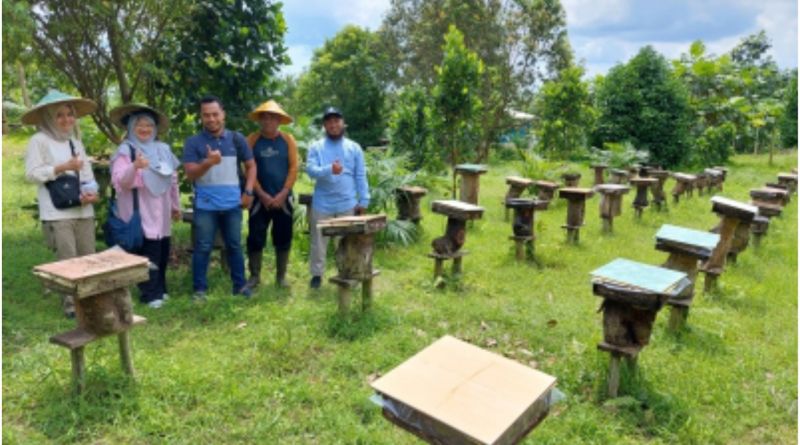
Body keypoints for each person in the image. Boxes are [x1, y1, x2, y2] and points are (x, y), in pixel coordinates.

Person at [23, 90, 100, 318]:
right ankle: (71, 305)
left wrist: (91, 194)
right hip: (56, 212)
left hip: (83, 208)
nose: (66, 119)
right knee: (68, 259)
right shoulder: (39, 141)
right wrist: (61, 168)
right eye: (59, 115)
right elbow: (31, 174)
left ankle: (88, 299)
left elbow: (86, 174)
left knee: (88, 255)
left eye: (70, 114)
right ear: (48, 117)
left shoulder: (75, 142)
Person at [182, 96, 256, 300]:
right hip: (205, 205)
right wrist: (209, 162)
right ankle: (199, 290)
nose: (211, 119)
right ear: (201, 117)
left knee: (234, 245)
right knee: (203, 247)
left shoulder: (237, 139)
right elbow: (190, 174)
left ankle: (240, 286)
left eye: (215, 114)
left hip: (233, 204)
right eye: (206, 115)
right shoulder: (193, 142)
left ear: (223, 115)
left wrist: (248, 191)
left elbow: (251, 166)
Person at [110, 104, 181, 309]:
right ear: (131, 127)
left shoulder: (163, 149)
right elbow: (121, 182)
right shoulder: (126, 150)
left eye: (149, 125)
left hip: (163, 209)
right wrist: (135, 167)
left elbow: (172, 179)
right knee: (146, 251)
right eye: (140, 125)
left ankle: (160, 288)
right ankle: (149, 294)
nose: (145, 129)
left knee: (162, 249)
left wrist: (175, 205)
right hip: (139, 209)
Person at [305, 107, 370, 289]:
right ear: (324, 125)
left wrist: (363, 200)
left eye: (336, 121)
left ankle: (348, 272)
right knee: (318, 242)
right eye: (329, 121)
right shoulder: (316, 147)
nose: (333, 125)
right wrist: (328, 169)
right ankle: (317, 275)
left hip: (347, 204)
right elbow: (310, 171)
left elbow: (360, 175)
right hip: (322, 204)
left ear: (343, 123)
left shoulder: (354, 147)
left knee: (347, 242)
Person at [244, 100, 298, 289]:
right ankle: (255, 275)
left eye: (272, 117)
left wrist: (284, 192)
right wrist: (260, 192)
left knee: (283, 236)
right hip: (259, 199)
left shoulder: (288, 140)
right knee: (255, 236)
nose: (268, 121)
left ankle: (281, 276)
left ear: (279, 120)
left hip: (283, 197)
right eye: (264, 117)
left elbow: (293, 167)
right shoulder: (252, 139)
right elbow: (248, 168)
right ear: (259, 120)